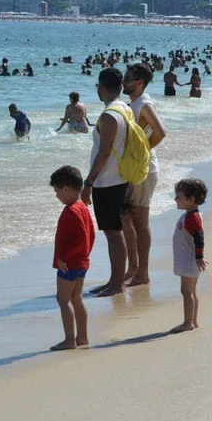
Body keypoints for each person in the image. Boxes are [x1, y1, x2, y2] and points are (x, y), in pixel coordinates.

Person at [82, 68, 130, 298]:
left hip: (108, 180)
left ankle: (117, 284)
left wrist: (88, 182)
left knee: (113, 232)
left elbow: (104, 151)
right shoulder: (125, 109)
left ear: (101, 88)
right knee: (114, 231)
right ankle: (114, 280)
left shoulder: (110, 114)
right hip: (118, 177)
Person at [122, 62, 168, 286]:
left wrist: (144, 151)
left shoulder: (144, 104)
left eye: (128, 79)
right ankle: (134, 268)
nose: (124, 81)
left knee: (140, 221)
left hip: (145, 169)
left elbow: (161, 131)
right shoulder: (134, 103)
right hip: (136, 169)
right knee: (127, 219)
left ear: (140, 83)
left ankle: (143, 273)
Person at [48, 165, 95, 351]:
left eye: (57, 191)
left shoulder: (72, 211)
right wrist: (84, 257)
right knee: (77, 298)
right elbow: (90, 235)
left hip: (70, 264)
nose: (56, 195)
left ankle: (69, 340)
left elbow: (81, 238)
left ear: (67, 188)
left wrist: (64, 258)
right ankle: (82, 337)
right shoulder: (81, 206)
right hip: (81, 262)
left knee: (63, 299)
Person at [171, 178, 208, 333]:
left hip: (189, 260)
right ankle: (193, 320)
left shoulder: (192, 217)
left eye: (178, 197)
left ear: (191, 199)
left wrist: (199, 257)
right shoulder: (191, 215)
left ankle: (188, 322)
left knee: (186, 292)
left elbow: (199, 236)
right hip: (189, 260)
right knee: (191, 291)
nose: (175, 199)